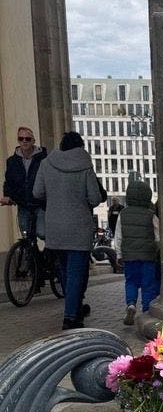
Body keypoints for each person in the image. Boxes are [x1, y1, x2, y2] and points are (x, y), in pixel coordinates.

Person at [32, 131, 103, 330]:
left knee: (64, 271)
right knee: (76, 273)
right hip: (79, 227)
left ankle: (74, 308)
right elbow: (95, 198)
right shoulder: (85, 165)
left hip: (55, 227)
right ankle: (71, 316)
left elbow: (37, 192)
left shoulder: (46, 163)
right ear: (80, 146)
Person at [113, 179, 160, 325]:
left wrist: (119, 254)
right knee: (148, 284)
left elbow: (118, 236)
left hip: (130, 256)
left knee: (131, 281)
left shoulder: (123, 214)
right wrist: (156, 249)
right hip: (147, 256)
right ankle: (146, 311)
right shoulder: (151, 214)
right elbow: (158, 236)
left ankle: (131, 303)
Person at [1, 126, 47, 239]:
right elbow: (9, 181)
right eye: (21, 139)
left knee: (43, 233)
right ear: (18, 140)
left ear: (33, 141)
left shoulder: (44, 159)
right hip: (23, 204)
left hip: (40, 204)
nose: (24, 141)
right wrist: (7, 196)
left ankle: (50, 255)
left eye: (27, 139)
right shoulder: (12, 161)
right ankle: (28, 256)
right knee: (26, 236)